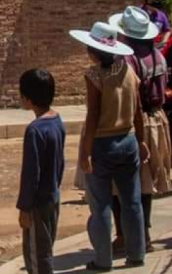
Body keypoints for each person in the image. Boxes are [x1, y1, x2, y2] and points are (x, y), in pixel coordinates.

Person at [69, 21, 147, 271]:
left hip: (103, 143)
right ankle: (137, 254)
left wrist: (85, 152)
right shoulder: (129, 71)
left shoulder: (94, 76)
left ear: (94, 50)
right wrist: (142, 141)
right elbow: (138, 110)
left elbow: (93, 115)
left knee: (101, 204)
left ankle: (102, 260)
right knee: (131, 201)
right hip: (129, 139)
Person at [108, 6, 172, 253]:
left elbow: (128, 94)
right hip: (157, 120)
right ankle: (144, 232)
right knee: (147, 184)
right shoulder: (159, 57)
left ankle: (124, 235)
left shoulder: (126, 60)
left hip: (135, 122)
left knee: (119, 182)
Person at [17, 69, 65, 274]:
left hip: (38, 202)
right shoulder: (57, 121)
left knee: (37, 255)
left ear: (28, 99)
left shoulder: (35, 130)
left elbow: (31, 173)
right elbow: (60, 162)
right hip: (53, 195)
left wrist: (24, 207)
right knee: (46, 247)